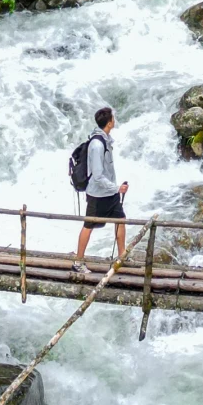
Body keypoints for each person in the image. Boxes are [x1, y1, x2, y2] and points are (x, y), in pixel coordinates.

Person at [72, 106, 128, 278]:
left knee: (121, 220)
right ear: (109, 122)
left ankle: (122, 256)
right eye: (113, 117)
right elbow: (97, 176)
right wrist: (117, 188)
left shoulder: (105, 140)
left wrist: (114, 189)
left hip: (109, 193)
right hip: (97, 194)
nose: (115, 120)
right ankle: (78, 262)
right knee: (89, 225)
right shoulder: (97, 144)